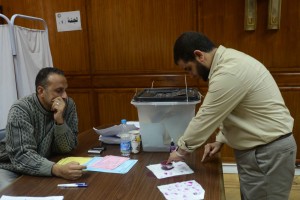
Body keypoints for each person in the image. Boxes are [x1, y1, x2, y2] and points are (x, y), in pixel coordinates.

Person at [167, 32, 297, 200]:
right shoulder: (228, 62)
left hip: (268, 152)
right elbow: (234, 109)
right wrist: (221, 139)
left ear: (199, 55)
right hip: (261, 150)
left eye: (188, 69)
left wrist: (180, 151)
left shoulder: (228, 72)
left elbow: (205, 117)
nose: (191, 75)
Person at [0, 67, 86, 191]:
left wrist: (60, 121)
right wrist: (57, 170)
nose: (65, 96)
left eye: (65, 90)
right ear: (41, 91)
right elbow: (22, 156)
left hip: (44, 162)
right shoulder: (21, 109)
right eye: (59, 91)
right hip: (10, 166)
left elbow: (67, 148)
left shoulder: (68, 105)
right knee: (11, 193)